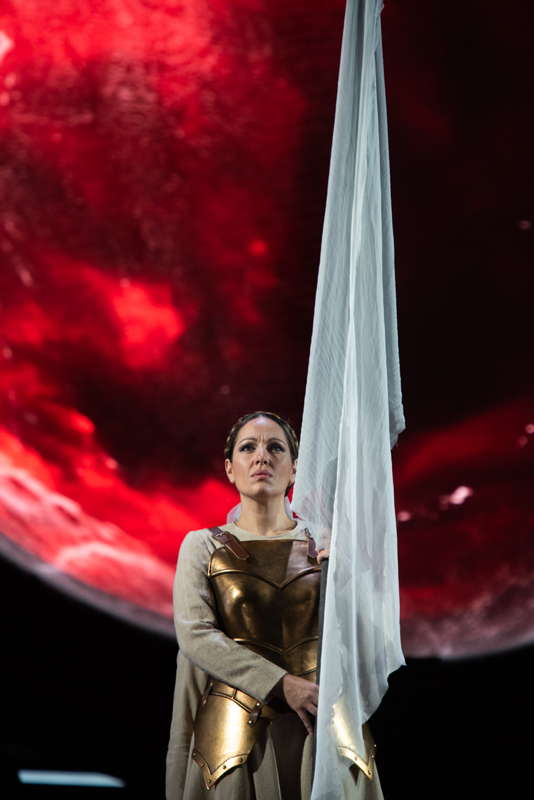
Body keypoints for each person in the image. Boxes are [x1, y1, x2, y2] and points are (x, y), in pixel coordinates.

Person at [165, 411, 383, 800]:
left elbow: (364, 639)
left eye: (275, 448)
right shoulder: (203, 546)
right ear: (231, 469)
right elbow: (196, 637)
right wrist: (282, 685)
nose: (261, 457)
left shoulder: (328, 545)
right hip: (237, 742)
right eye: (248, 448)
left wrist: (345, 576)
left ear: (294, 469)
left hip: (324, 733)